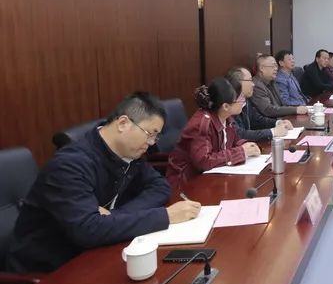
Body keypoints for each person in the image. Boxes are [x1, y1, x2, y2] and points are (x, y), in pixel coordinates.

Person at [5, 92, 201, 273]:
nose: (151, 143)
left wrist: (114, 217)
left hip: (91, 254)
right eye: (149, 134)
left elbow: (160, 187)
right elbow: (87, 230)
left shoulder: (127, 153)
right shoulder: (69, 165)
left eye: (155, 137)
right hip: (47, 272)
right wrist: (165, 216)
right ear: (123, 123)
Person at [166, 77, 263, 190]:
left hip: (212, 179)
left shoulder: (227, 118)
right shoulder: (201, 125)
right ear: (225, 106)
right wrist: (241, 152)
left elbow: (235, 141)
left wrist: (248, 146)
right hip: (187, 184)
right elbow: (204, 161)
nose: (243, 101)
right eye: (240, 98)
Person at [226, 66, 292, 141]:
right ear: (238, 82)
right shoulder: (229, 104)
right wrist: (272, 132)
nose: (253, 84)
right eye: (250, 80)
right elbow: (240, 134)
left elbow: (257, 120)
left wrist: (278, 123)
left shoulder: (246, 101)